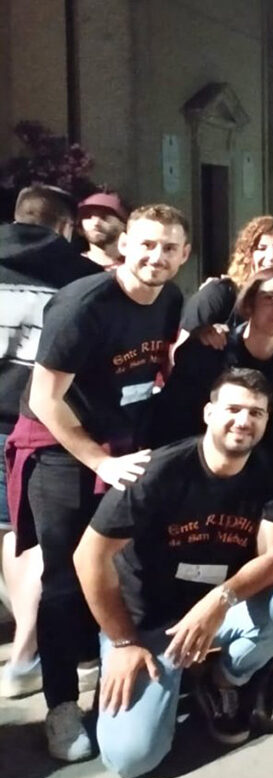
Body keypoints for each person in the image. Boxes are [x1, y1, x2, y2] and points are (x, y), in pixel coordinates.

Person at [6, 203, 186, 761]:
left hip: (122, 443)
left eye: (169, 248)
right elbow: (45, 398)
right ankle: (61, 706)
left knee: (121, 561)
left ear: (184, 255)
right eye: (147, 244)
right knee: (63, 577)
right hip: (60, 448)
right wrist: (97, 461)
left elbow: (154, 371)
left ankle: (105, 662)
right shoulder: (82, 304)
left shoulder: (170, 300)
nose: (156, 257)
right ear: (124, 245)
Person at [73, 368, 273, 778]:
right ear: (209, 413)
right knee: (132, 758)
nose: (244, 421)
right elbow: (89, 556)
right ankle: (162, 677)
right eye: (233, 409)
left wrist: (219, 601)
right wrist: (123, 641)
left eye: (256, 413)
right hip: (147, 626)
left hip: (214, 614)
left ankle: (221, 679)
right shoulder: (158, 471)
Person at [0, 185, 95, 699]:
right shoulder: (79, 277)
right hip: (41, 428)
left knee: (6, 534)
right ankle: (26, 650)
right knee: (32, 539)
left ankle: (26, 648)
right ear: (65, 227)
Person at [152, 268, 273, 467]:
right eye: (270, 298)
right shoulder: (209, 351)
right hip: (196, 464)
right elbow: (171, 422)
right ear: (249, 305)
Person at [178, 215, 273, 346]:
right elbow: (180, 348)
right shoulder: (218, 293)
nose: (271, 257)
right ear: (247, 255)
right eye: (261, 248)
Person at [77, 191, 128, 271]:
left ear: (122, 225)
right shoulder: (72, 266)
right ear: (80, 228)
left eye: (104, 217)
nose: (96, 223)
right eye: (88, 216)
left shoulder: (133, 268)